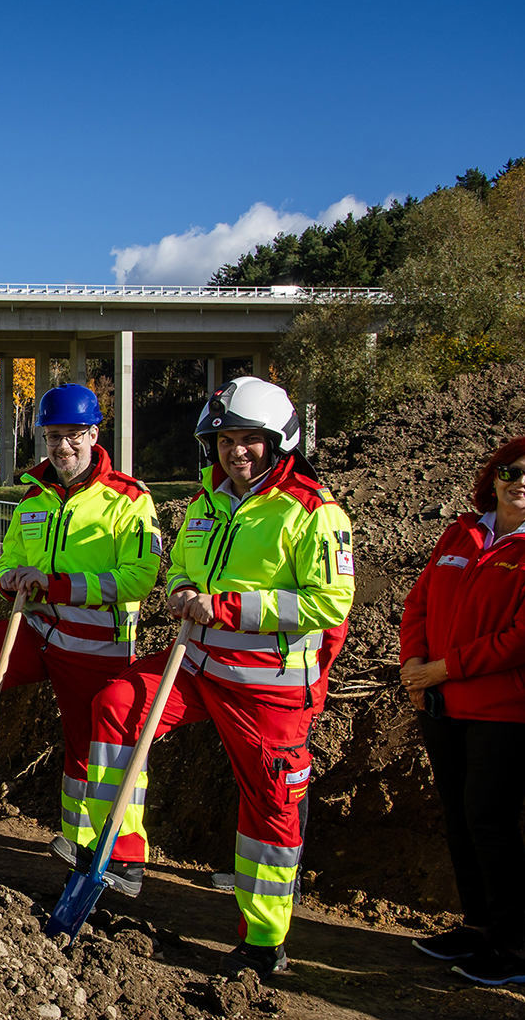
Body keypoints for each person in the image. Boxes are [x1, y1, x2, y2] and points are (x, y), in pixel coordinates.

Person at [86, 376, 352, 979]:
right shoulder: (207, 500)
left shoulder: (313, 513)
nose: (236, 451)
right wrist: (182, 588)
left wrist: (228, 607)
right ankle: (115, 855)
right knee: (117, 703)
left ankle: (263, 940)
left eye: (250, 440)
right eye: (226, 440)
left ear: (279, 440)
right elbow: (182, 563)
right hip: (197, 665)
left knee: (271, 807)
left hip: (268, 685)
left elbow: (329, 602)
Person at [0, 385, 161, 883]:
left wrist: (58, 585)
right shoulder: (35, 497)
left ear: (94, 434)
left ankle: (102, 847)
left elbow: (138, 577)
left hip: (94, 640)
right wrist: (8, 576)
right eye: (53, 436)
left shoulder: (129, 500)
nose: (62, 447)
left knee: (90, 746)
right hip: (35, 628)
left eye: (73, 436)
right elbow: (9, 558)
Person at [401, 436, 525, 986]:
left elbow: (521, 638)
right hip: (439, 700)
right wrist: (414, 663)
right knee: (459, 814)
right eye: (512, 470)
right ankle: (477, 927)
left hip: (503, 709)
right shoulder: (461, 532)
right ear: (494, 476)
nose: (521, 481)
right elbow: (421, 600)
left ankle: (515, 948)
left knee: (489, 818)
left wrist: (443, 669)